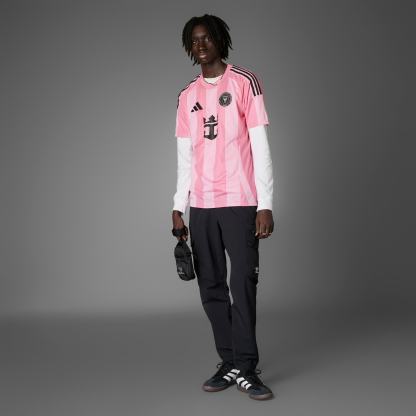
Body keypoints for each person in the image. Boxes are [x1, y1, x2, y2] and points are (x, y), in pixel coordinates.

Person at [171, 14, 275, 401]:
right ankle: (229, 360)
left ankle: (247, 367)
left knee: (242, 284)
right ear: (189, 47)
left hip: (240, 203)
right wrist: (178, 205)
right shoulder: (186, 96)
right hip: (202, 206)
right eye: (194, 40)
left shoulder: (245, 83)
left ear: (220, 40)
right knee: (211, 285)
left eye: (207, 38)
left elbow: (260, 148)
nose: (201, 45)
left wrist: (265, 204)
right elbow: (185, 157)